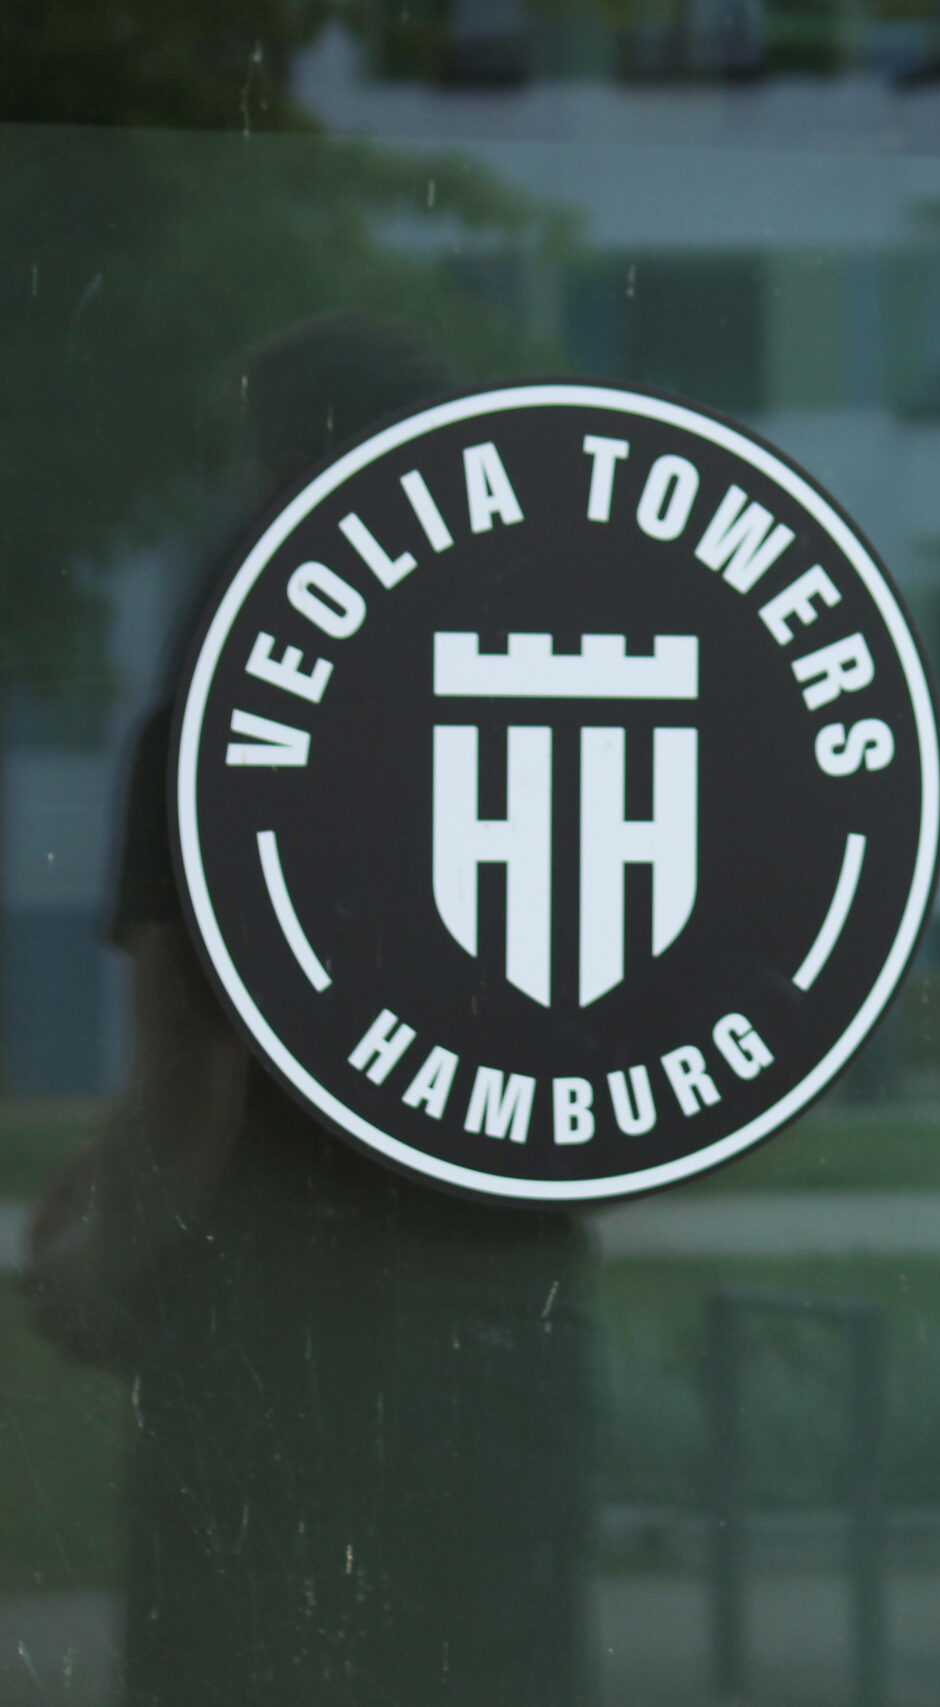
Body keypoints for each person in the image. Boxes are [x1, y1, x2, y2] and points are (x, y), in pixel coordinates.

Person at [24, 313, 598, 1707]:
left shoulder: (220, 729)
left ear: (277, 474)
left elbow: (201, 1072)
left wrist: (92, 1274)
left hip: (277, 1337)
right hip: (507, 1329)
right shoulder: (521, 718)